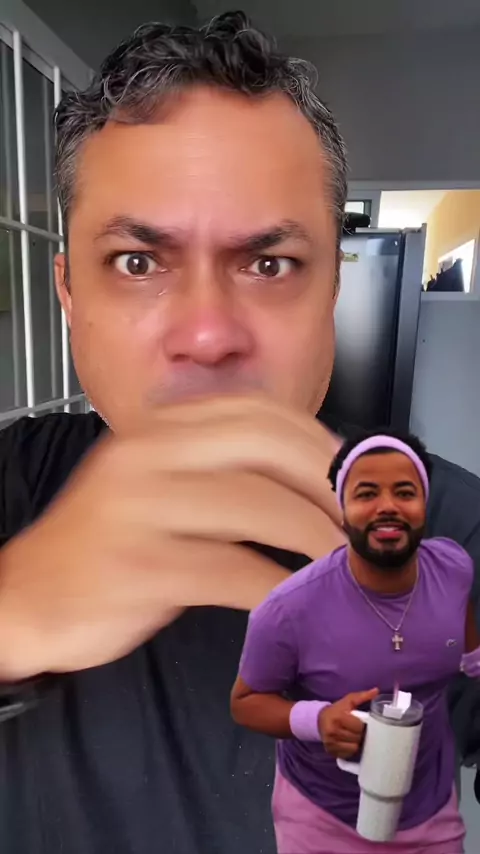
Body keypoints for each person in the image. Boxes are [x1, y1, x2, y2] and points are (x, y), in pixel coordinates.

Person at [0, 11, 479, 854]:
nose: (209, 335)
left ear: (331, 288)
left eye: (268, 264)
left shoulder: (448, 530)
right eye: (139, 262)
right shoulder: (9, 487)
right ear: (69, 293)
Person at [231, 431, 480, 853]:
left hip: (431, 809)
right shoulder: (289, 609)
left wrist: (474, 661)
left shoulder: (453, 566)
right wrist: (319, 720)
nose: (387, 506)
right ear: (342, 509)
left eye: (405, 492)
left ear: (424, 503)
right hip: (323, 818)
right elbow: (245, 702)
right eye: (367, 494)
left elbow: (464, 623)